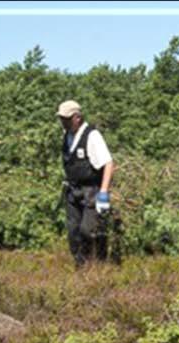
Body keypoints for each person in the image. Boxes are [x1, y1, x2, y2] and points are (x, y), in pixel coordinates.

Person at [57, 100, 116, 267]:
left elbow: (108, 164)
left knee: (89, 231)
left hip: (92, 191)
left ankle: (99, 266)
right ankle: (82, 271)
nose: (63, 121)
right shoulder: (66, 135)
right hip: (72, 191)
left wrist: (103, 193)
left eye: (66, 118)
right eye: (61, 118)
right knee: (73, 233)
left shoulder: (92, 136)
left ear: (77, 117)